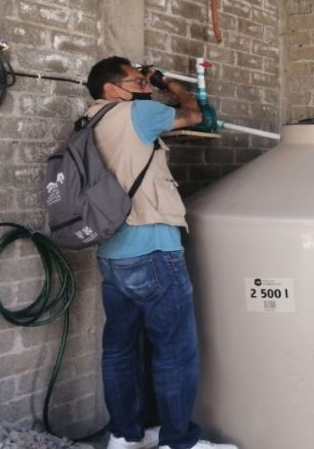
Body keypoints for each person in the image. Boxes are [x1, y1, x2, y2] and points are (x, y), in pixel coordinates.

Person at [84, 56, 237, 449]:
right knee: (175, 352)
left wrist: (149, 84)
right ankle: (179, 442)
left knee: (119, 350)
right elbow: (196, 114)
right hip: (153, 250)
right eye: (137, 81)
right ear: (112, 90)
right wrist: (168, 84)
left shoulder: (89, 121)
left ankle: (124, 436)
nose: (144, 87)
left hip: (112, 255)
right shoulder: (138, 113)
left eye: (145, 82)